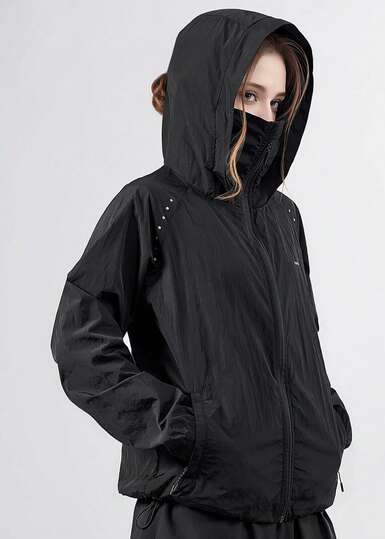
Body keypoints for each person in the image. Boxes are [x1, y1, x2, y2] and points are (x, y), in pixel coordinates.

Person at [50, 8, 352, 539]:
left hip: (304, 514)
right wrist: (182, 428)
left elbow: (297, 342)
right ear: (209, 92)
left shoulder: (283, 216)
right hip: (198, 512)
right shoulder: (152, 205)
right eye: (249, 95)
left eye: (277, 103)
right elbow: (80, 341)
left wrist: (327, 420)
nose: (265, 117)